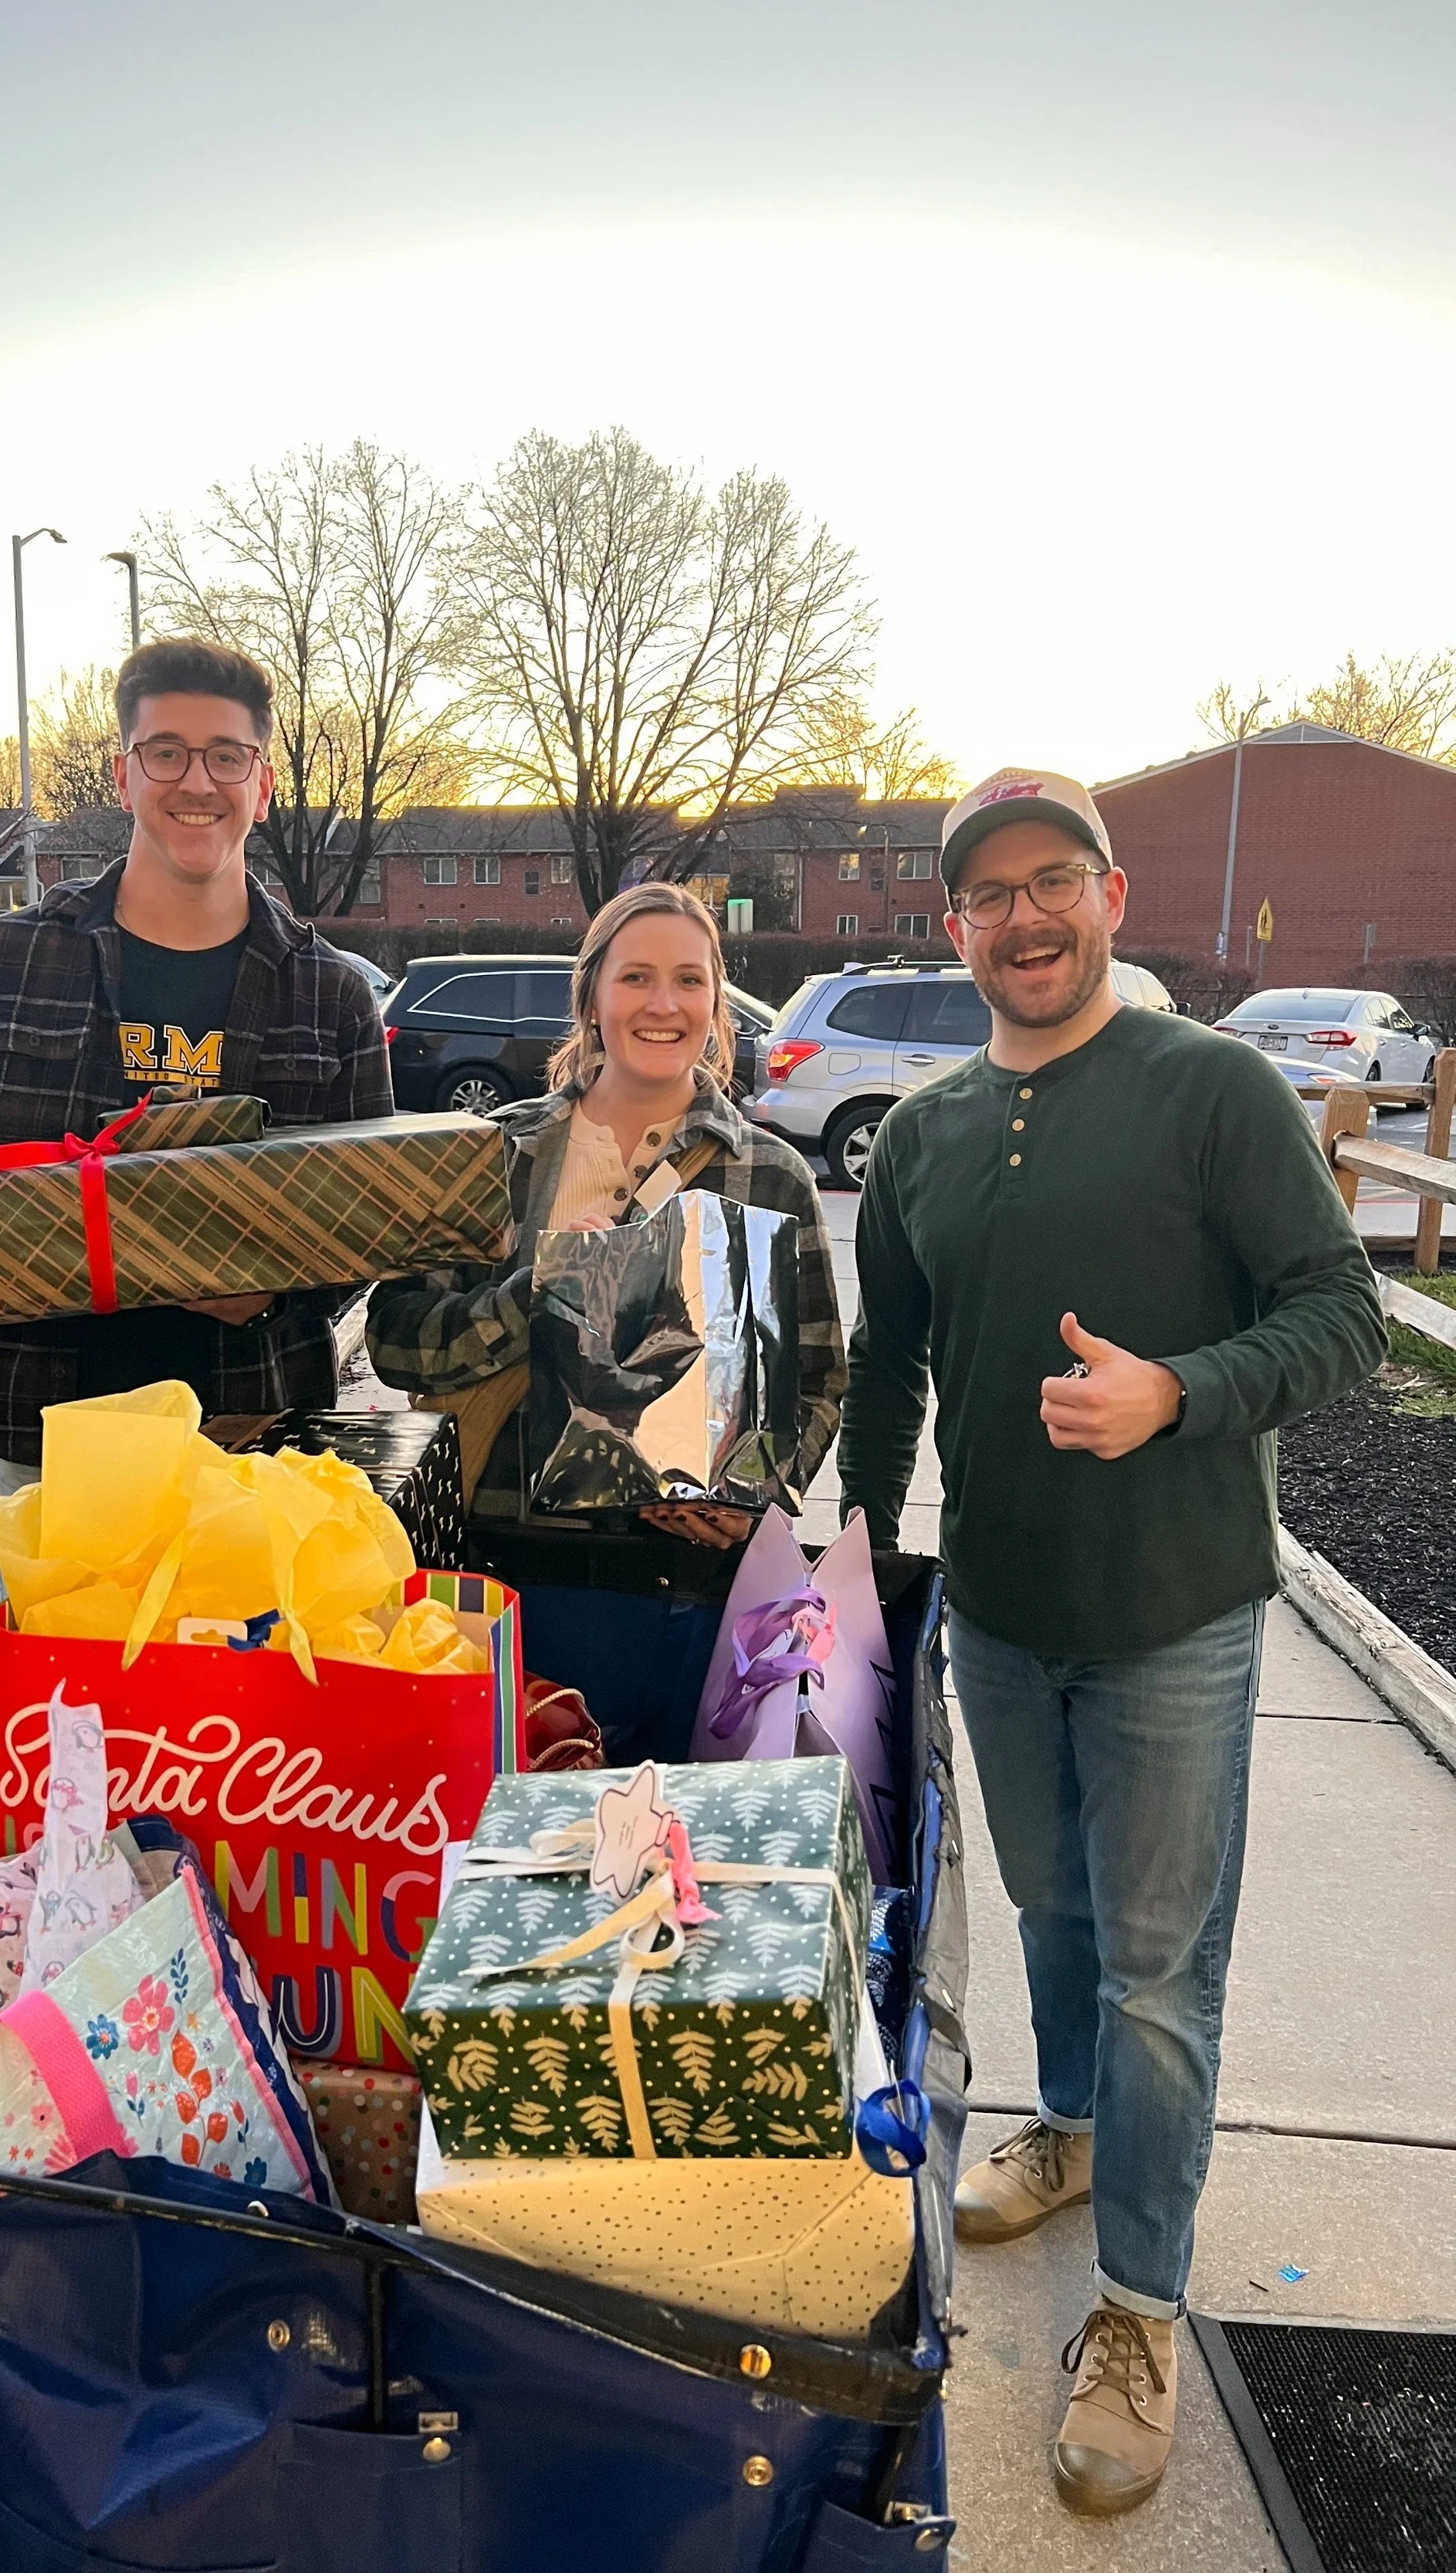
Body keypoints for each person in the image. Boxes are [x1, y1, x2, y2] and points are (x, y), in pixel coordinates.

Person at [837, 767, 1385, 2516]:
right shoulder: (921, 1134)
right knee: (1053, 1914)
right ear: (955, 929)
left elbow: (1344, 1317)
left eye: (1051, 881)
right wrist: (865, 1556)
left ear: (1112, 893)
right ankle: (1066, 2133)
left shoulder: (1208, 1089)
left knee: (1161, 1975)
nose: (1024, 916)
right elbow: (888, 1368)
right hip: (1002, 1614)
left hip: (1174, 1621)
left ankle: (1140, 2313)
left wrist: (1179, 1394)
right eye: (988, 894)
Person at [0, 636, 391, 1491]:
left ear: (262, 787)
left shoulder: (329, 993)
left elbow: (373, 1222)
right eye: (166, 753)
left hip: (253, 1429)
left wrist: (271, 1292)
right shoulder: (2, 962)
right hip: (46, 1436)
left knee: (244, 1629)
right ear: (125, 778)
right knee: (52, 1631)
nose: (198, 782)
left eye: (227, 757)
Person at [367, 882, 846, 1759]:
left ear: (715, 1001)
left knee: (670, 1870)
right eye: (634, 979)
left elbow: (818, 1380)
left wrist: (756, 1496)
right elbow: (397, 1341)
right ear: (590, 997)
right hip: (512, 1581)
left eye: (689, 981)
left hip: (692, 1594)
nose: (663, 1005)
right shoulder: (497, 1158)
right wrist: (534, 1293)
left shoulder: (769, 1173)